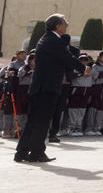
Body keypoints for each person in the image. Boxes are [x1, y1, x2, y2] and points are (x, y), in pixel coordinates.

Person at [14, 15, 85, 163]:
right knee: (42, 122)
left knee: (34, 121)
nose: (66, 26)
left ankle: (21, 152)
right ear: (58, 26)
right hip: (47, 87)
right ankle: (36, 153)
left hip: (40, 87)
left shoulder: (46, 38)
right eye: (65, 23)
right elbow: (68, 58)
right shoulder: (54, 41)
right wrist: (84, 68)